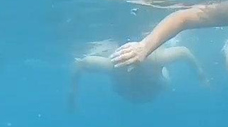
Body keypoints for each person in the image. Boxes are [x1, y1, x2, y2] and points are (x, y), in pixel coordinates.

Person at [69, 42, 208, 110]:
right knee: (164, 82)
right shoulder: (115, 64)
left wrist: (73, 94)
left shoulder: (156, 58)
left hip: (146, 90)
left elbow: (81, 63)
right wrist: (201, 76)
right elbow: (184, 52)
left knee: (164, 82)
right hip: (135, 91)